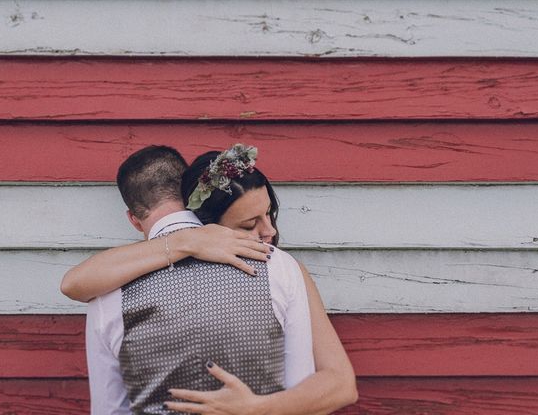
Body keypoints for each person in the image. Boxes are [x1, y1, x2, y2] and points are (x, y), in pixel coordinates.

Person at [62, 144, 357, 414]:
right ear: (193, 199)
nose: (267, 231)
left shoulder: (107, 291)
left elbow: (110, 409)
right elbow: (304, 381)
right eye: (250, 222)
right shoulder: (277, 265)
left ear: (133, 219)